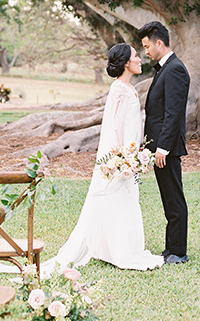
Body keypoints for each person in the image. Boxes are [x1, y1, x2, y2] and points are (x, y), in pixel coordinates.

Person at [41, 43, 163, 274]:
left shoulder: (128, 88)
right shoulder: (119, 89)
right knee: (117, 199)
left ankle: (117, 248)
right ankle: (119, 251)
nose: (140, 59)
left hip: (129, 153)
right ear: (126, 62)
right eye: (136, 56)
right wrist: (123, 157)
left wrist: (135, 153)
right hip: (121, 155)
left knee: (125, 199)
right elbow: (115, 126)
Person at [137, 21, 190, 265]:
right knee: (168, 198)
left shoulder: (175, 69)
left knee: (174, 198)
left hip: (166, 149)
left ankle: (178, 252)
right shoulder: (164, 69)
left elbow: (173, 112)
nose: (145, 51)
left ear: (160, 42)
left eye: (147, 46)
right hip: (160, 147)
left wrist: (162, 147)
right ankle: (171, 249)